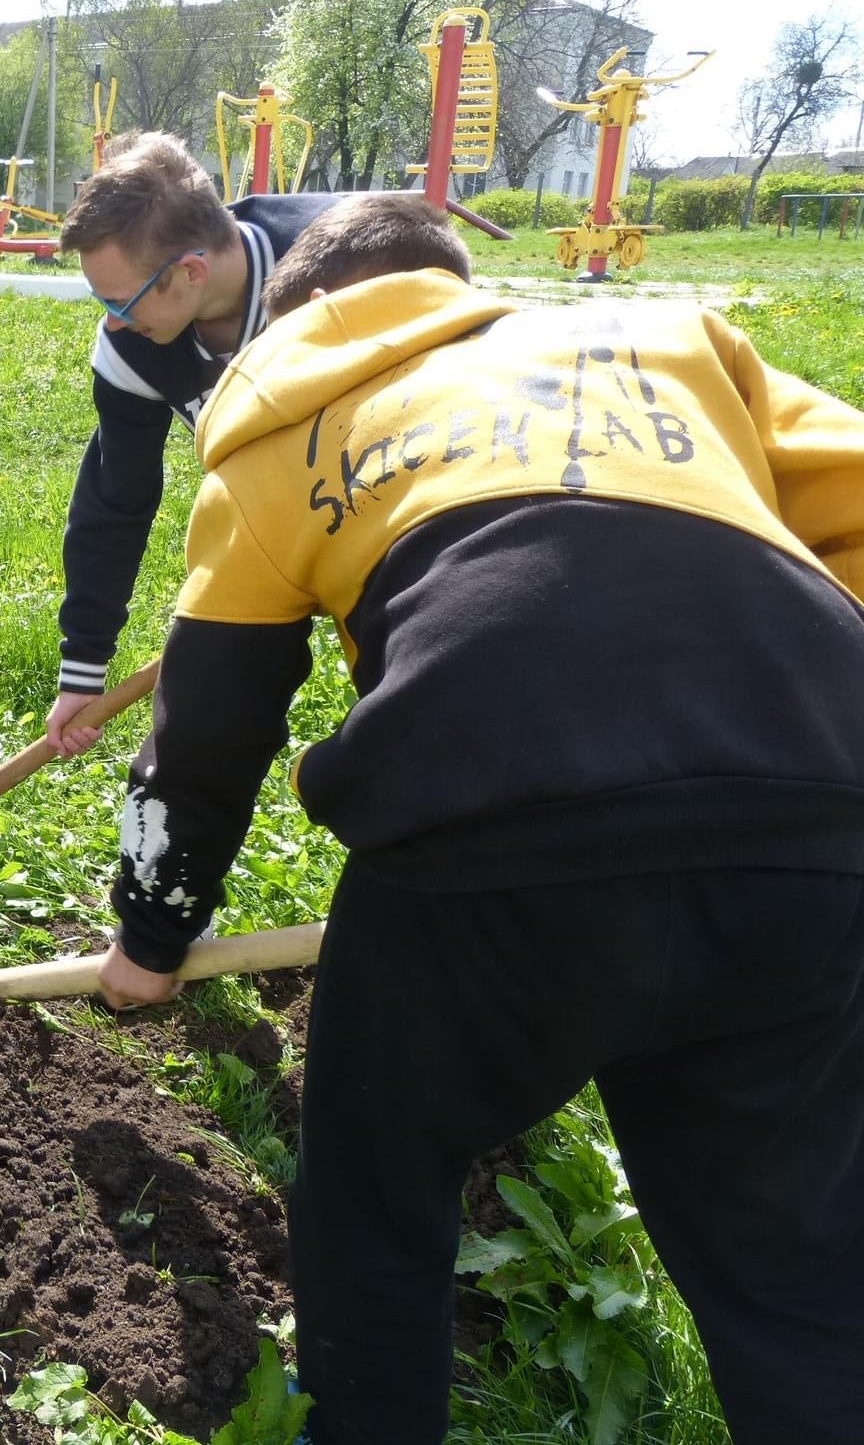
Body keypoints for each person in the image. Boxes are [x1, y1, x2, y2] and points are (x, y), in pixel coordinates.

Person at [96, 195, 864, 1444]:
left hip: (490, 821)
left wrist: (150, 931)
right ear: (451, 286)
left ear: (297, 317)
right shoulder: (673, 345)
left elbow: (210, 727)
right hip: (808, 820)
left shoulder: (275, 418)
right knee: (798, 1268)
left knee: (376, 1199)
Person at [46, 134, 336, 756]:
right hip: (269, 541)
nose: (112, 319)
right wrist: (84, 666)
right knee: (195, 737)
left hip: (409, 521)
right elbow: (115, 501)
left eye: (119, 299)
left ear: (191, 272)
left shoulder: (341, 266)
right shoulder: (132, 346)